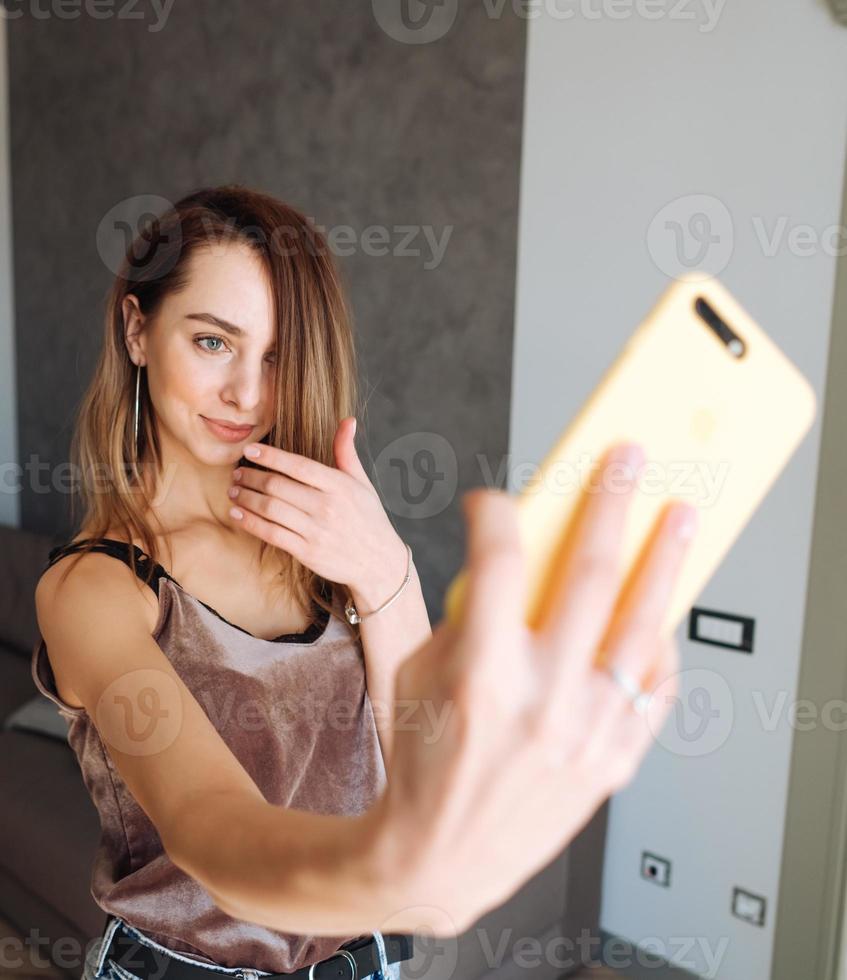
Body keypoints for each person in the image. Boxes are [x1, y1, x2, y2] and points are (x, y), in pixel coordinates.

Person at [32, 185, 698, 980]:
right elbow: (210, 829)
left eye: (278, 356)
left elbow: (427, 747)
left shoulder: (332, 540)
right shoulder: (93, 587)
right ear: (138, 330)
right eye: (214, 343)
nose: (249, 394)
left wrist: (386, 570)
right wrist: (395, 875)